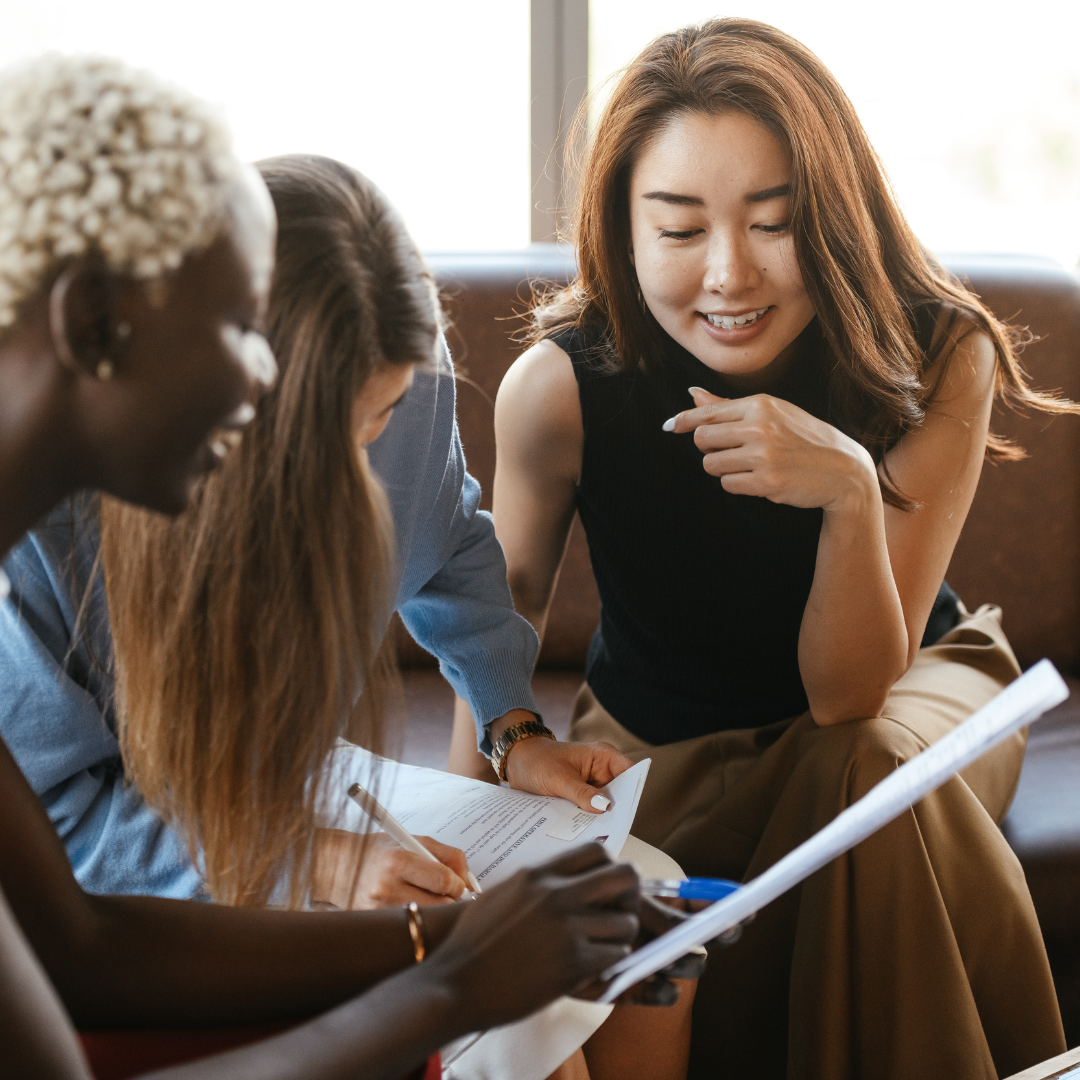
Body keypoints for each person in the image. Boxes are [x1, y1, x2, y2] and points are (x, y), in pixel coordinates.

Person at [0, 53, 693, 1080]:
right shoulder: (46, 553)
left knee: (626, 917)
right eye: (238, 330)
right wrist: (445, 971)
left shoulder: (396, 417)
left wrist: (452, 931)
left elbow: (79, 951)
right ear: (100, 329)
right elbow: (81, 938)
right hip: (163, 849)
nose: (252, 381)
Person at [447, 17, 1075, 1080]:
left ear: (832, 215)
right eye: (680, 229)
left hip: (911, 691)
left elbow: (850, 696)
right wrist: (460, 838)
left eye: (774, 223)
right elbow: (493, 615)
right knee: (849, 784)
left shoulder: (939, 355)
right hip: (660, 735)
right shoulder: (557, 391)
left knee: (861, 769)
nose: (729, 274)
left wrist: (848, 497)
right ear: (622, 228)